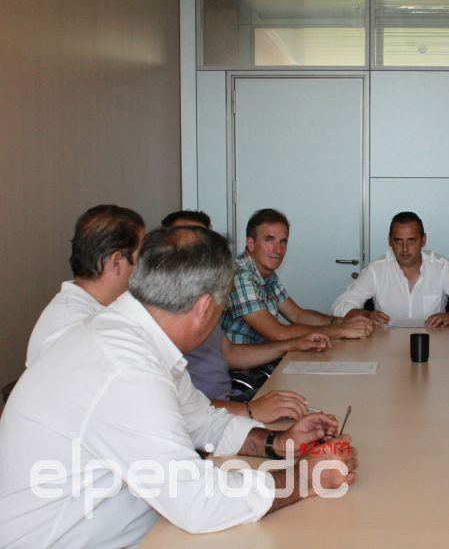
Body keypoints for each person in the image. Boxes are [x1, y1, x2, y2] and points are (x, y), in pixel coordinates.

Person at [0, 226, 359, 546]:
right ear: (204, 308)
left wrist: (277, 442)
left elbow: (202, 421)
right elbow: (197, 503)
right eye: (222, 306)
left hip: (137, 530)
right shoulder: (125, 367)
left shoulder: (139, 338)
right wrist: (304, 478)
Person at [163, 210, 331, 420]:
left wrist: (294, 344)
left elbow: (230, 353)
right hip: (221, 406)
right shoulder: (166, 311)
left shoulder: (204, 294)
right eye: (269, 240)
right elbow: (183, 409)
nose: (278, 250)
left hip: (225, 404)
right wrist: (251, 411)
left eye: (203, 243)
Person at [222, 208, 373, 345]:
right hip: (249, 366)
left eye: (283, 242)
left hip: (267, 358)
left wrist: (343, 321)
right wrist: (342, 330)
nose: (278, 250)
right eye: (269, 240)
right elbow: (278, 334)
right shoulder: (241, 276)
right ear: (251, 243)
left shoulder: (266, 273)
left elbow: (297, 315)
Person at [26, 204, 145, 366]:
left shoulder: (100, 309)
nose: (145, 268)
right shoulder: (75, 324)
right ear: (117, 263)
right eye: (141, 258)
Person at [331, 211, 449, 328]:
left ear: (423, 240)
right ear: (390, 241)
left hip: (434, 344)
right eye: (398, 241)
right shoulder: (376, 269)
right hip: (385, 345)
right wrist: (366, 315)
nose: (405, 249)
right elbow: (340, 306)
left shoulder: (442, 267)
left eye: (411, 240)